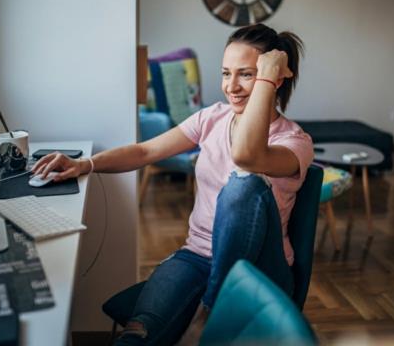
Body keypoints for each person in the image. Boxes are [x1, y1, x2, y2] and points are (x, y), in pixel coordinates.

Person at [32, 23, 314, 345]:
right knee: (137, 336)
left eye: (247, 74)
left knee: (243, 184)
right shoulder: (212, 118)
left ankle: (208, 312)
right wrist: (85, 164)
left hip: (260, 270)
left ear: (273, 78)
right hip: (198, 255)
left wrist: (268, 77)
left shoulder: (295, 142)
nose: (231, 86)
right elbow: (145, 150)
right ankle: (203, 311)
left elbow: (247, 156)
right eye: (226, 73)